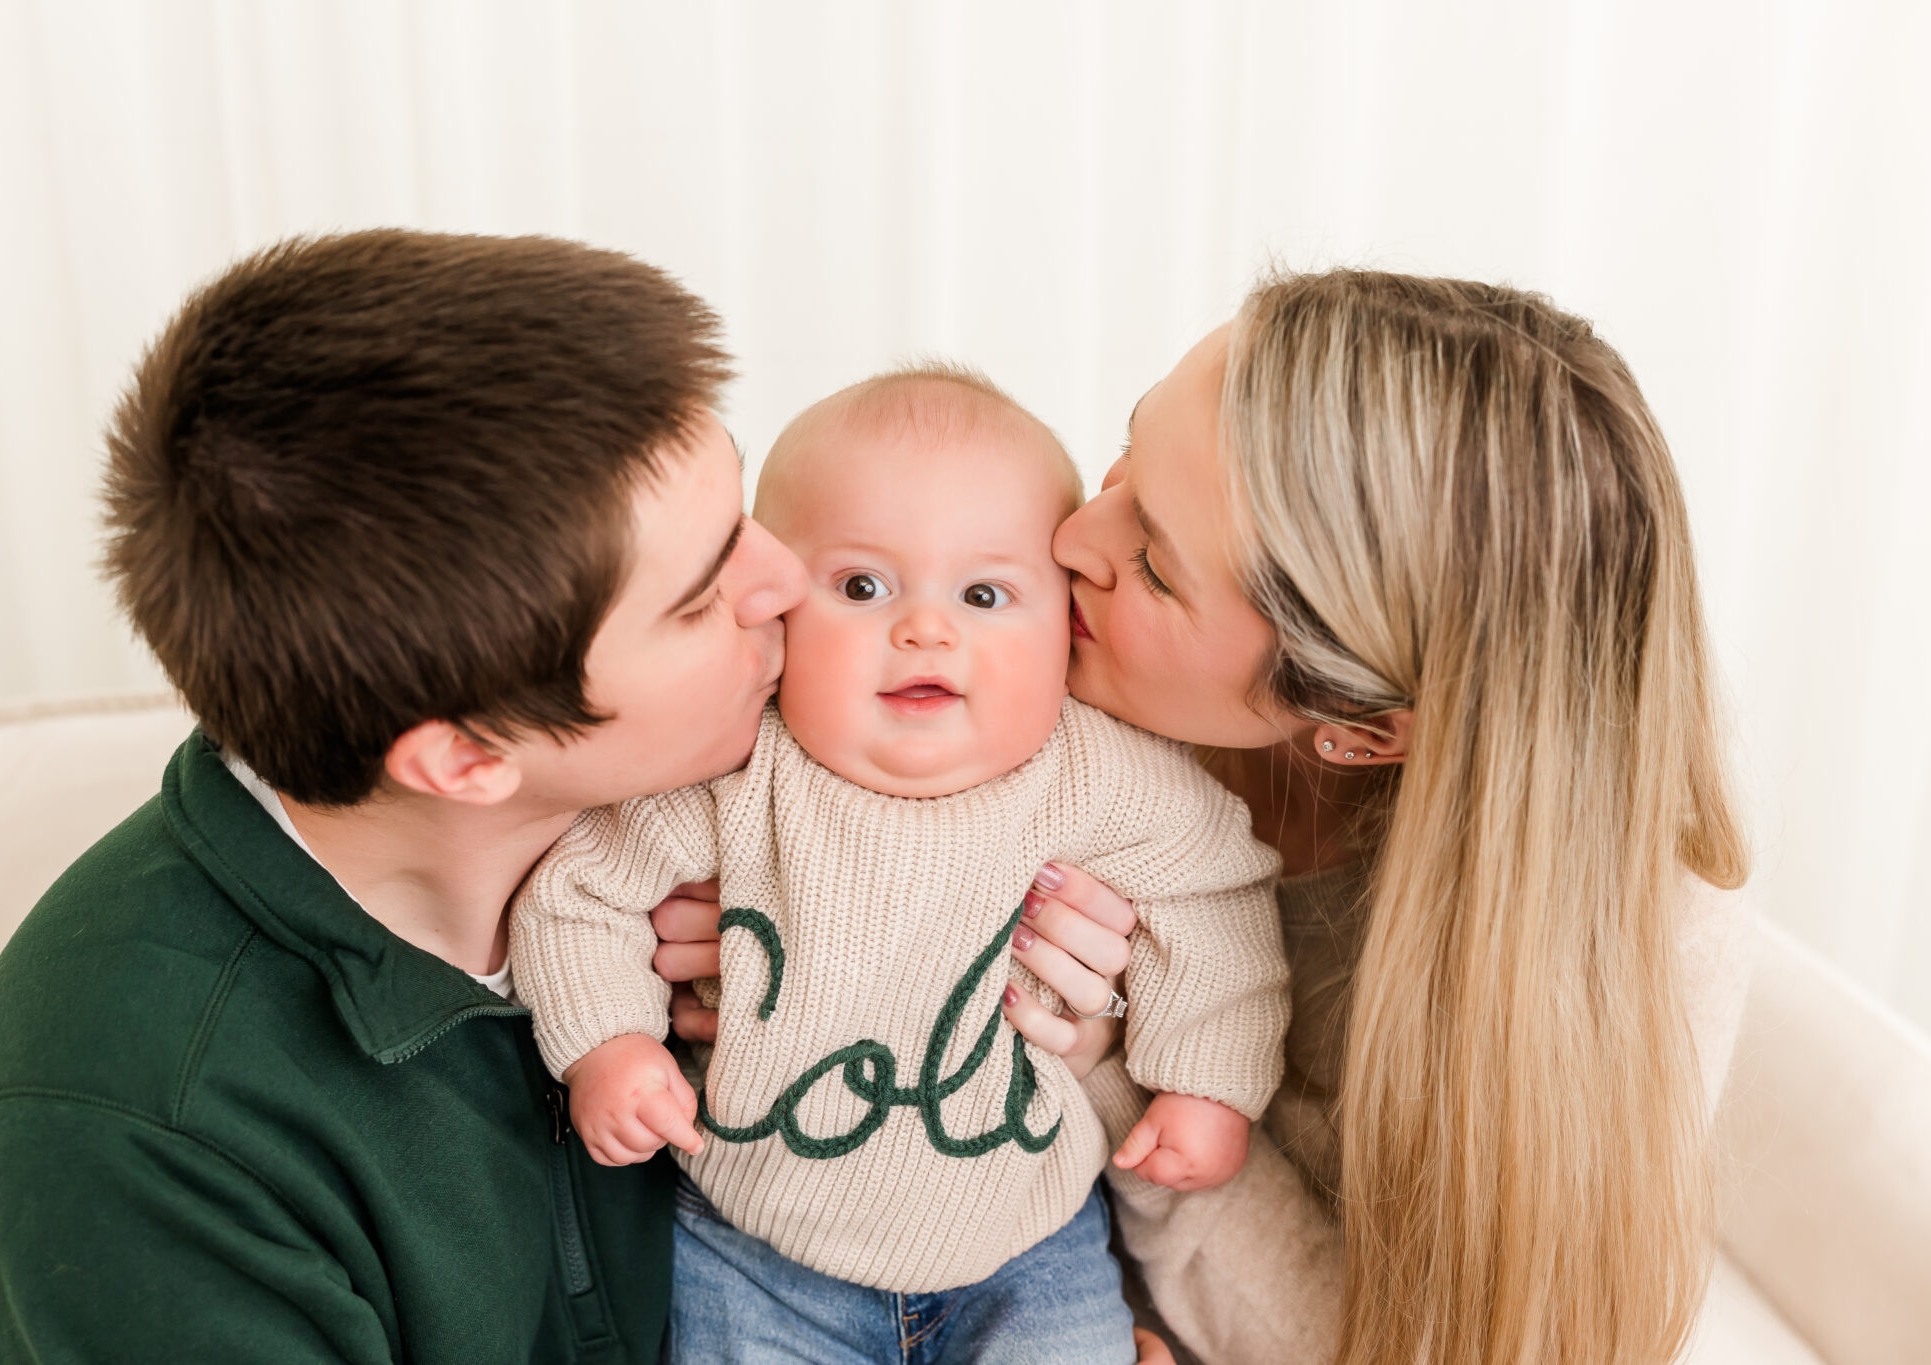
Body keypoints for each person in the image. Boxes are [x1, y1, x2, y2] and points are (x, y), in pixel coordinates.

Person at [659, 271, 1755, 1365]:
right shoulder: (1003, 703)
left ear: (1360, 726)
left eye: (1152, 565)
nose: (1072, 539)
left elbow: (1458, 1341)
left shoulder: (1639, 945)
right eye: (1126, 455)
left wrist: (1098, 1058)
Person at [0, 230, 809, 1364]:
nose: (790, 579)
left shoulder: (732, 805)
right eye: (703, 596)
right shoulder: (128, 1147)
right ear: (469, 758)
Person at [510, 367, 1291, 1363]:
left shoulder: (1099, 774)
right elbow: (580, 893)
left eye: (982, 593)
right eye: (862, 587)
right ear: (774, 604)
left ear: (1062, 620)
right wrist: (608, 1046)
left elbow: (1213, 903)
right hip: (755, 1249)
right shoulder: (735, 767)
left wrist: (1202, 1085)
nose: (925, 629)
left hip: (1028, 1246)